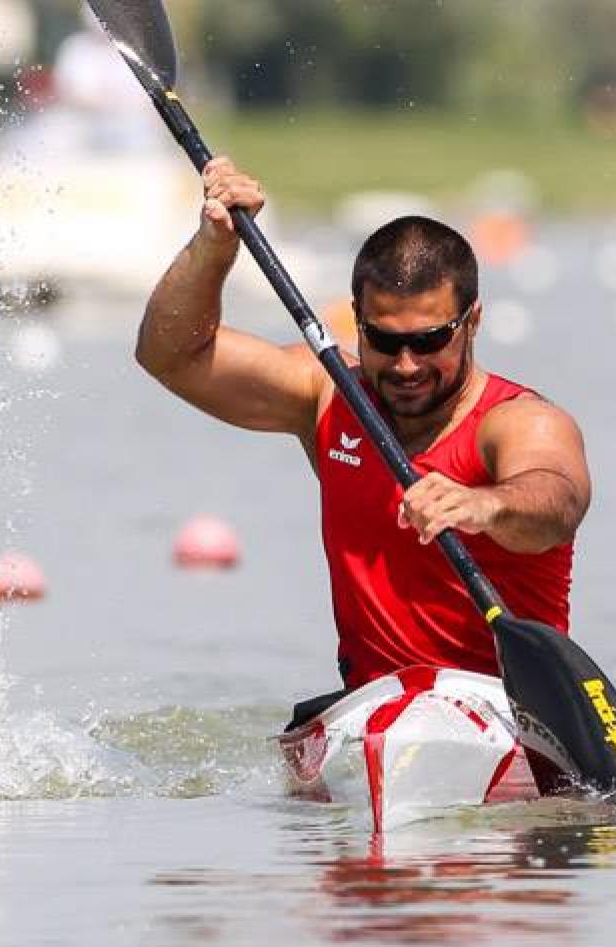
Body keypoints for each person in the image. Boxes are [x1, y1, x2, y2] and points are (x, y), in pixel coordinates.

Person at [135, 158, 591, 707]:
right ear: (356, 317)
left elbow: (556, 502)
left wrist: (484, 505)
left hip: (508, 709)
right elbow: (168, 354)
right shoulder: (328, 394)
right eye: (381, 338)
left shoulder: (520, 421)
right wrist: (214, 247)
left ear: (473, 322)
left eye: (428, 342)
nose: (404, 365)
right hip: (373, 709)